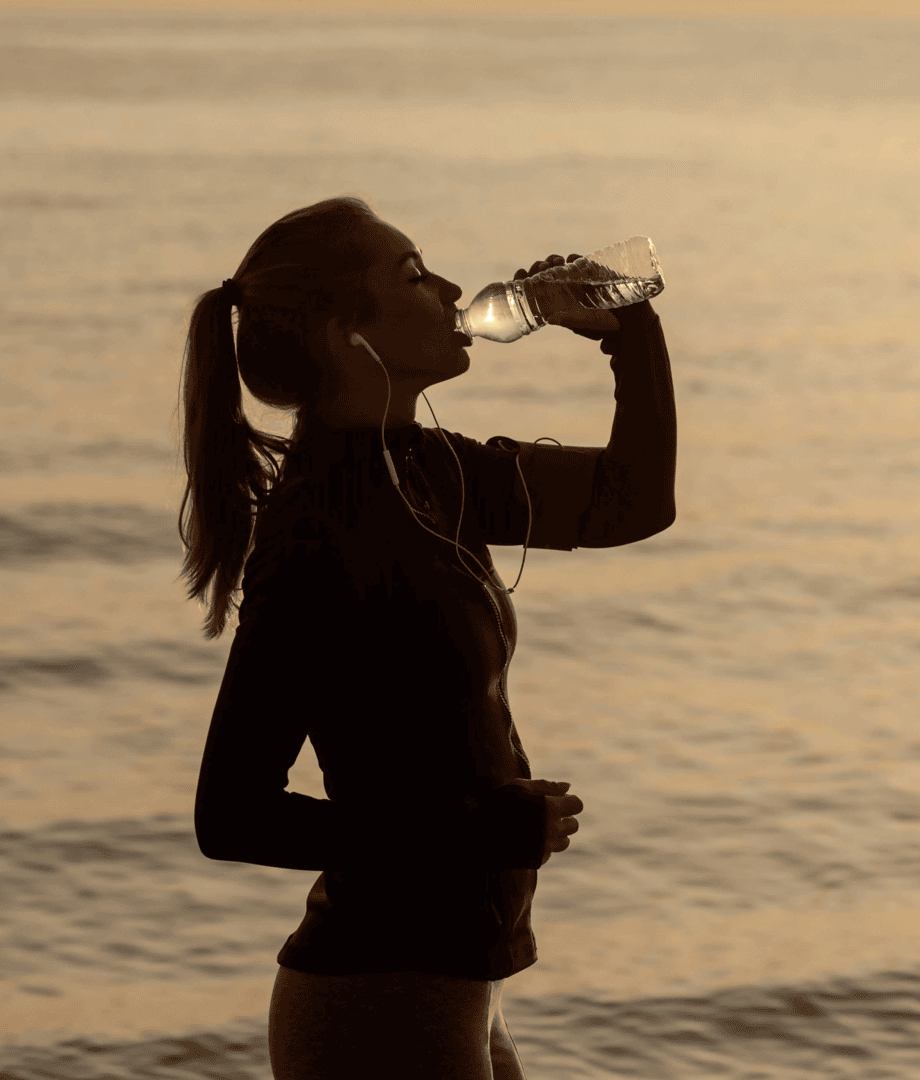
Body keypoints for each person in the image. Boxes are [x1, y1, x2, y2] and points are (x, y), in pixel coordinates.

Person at [179, 196, 676, 1079]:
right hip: (377, 998)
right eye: (412, 275)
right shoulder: (315, 537)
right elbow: (231, 814)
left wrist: (629, 333)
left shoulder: (430, 468)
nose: (452, 289)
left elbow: (631, 503)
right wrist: (471, 828)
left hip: (455, 988)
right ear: (345, 334)